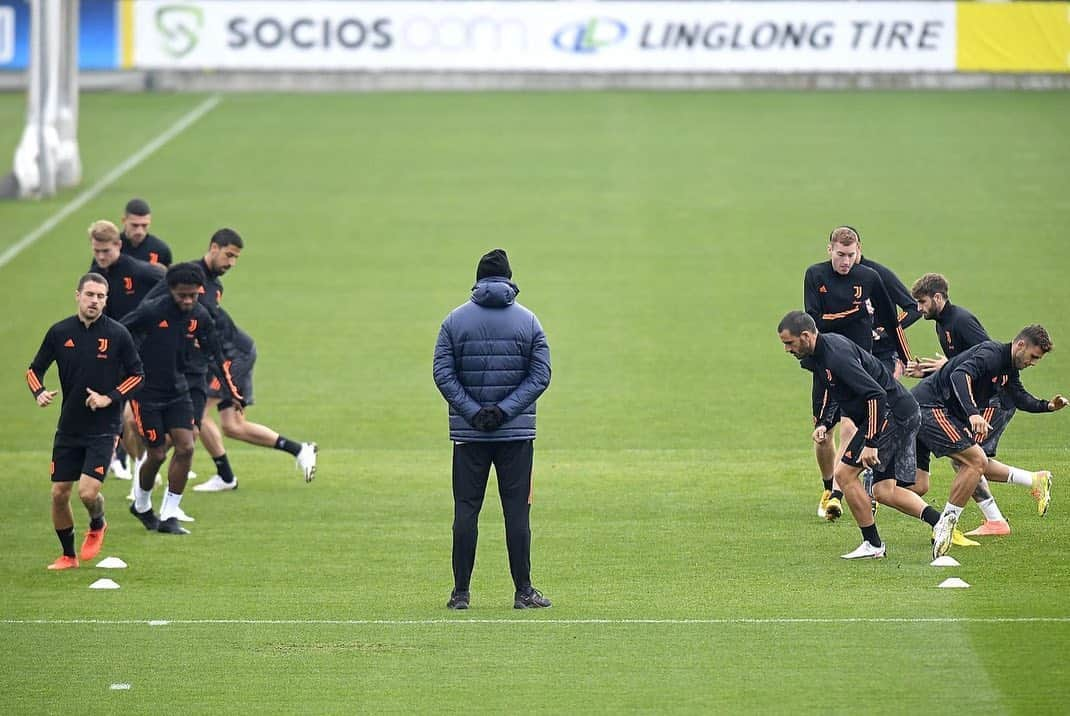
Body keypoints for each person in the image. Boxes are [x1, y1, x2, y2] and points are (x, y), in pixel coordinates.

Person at [145, 229, 316, 492]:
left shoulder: (214, 285)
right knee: (233, 426)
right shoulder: (186, 277)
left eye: (236, 258)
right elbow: (151, 303)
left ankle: (155, 470)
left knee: (196, 416)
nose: (231, 263)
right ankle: (298, 450)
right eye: (229, 255)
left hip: (232, 355)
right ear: (214, 247)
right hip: (225, 354)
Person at [433, 249, 552, 609]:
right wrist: (504, 411)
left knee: (465, 511)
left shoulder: (454, 321)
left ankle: (460, 594)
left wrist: (474, 413)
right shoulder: (529, 321)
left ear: (479, 280)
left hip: (470, 437)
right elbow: (540, 375)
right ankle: (523, 591)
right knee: (516, 512)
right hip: (515, 435)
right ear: (509, 280)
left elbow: (443, 373)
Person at [778, 311, 943, 560]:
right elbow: (828, 385)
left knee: (844, 474)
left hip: (892, 413)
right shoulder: (819, 354)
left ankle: (873, 545)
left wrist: (871, 443)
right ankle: (941, 521)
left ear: (806, 336)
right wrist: (824, 421)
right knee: (883, 491)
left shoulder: (836, 356)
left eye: (789, 343)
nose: (786, 349)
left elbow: (876, 395)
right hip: (896, 412)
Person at [906, 273, 1047, 537]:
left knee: (969, 459)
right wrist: (933, 372)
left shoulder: (961, 321)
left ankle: (981, 520)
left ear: (938, 297)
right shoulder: (941, 324)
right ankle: (1012, 502)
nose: (919, 309)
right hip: (971, 398)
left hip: (994, 400)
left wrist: (974, 412)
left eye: (922, 302)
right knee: (966, 459)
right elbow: (961, 367)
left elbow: (984, 357)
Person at [912, 325, 1068, 559]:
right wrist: (973, 413)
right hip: (929, 408)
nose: (1034, 363)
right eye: (1033, 356)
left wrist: (1047, 406)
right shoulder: (992, 354)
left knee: (917, 484)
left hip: (934, 411)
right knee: (975, 460)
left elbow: (1019, 397)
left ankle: (870, 487)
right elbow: (959, 374)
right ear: (1020, 345)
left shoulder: (1009, 369)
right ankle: (946, 524)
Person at [26, 273, 143, 569]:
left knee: (88, 492)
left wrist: (109, 398)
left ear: (106, 300)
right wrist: (38, 391)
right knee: (59, 493)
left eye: (101, 296)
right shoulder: (59, 332)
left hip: (103, 428)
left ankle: (98, 521)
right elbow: (34, 369)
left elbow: (137, 375)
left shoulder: (118, 334)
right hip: (69, 427)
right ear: (77, 295)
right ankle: (68, 555)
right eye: (90, 295)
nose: (95, 301)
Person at [121, 262, 240, 535]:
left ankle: (170, 512)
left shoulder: (200, 316)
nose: (188, 301)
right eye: (182, 295)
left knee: (186, 447)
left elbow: (215, 355)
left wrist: (232, 391)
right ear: (171, 290)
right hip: (147, 392)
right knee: (158, 453)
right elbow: (120, 333)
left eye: (193, 295)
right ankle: (141, 505)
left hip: (179, 390)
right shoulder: (151, 311)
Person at [803, 227, 910, 522]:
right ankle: (828, 487)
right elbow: (815, 322)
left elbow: (891, 320)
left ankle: (840, 493)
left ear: (858, 251)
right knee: (823, 434)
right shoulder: (815, 275)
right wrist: (856, 312)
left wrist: (905, 357)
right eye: (840, 255)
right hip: (824, 363)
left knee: (852, 427)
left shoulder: (870, 278)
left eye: (851, 255)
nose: (845, 261)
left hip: (858, 366)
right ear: (829, 250)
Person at [86, 219, 164, 480]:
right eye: (96, 251)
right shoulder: (96, 273)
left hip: (144, 354)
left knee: (133, 417)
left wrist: (150, 314)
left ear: (119, 245)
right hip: (113, 353)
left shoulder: (139, 270)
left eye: (106, 251)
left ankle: (144, 463)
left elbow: (170, 279)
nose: (100, 256)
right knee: (115, 415)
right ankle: (137, 463)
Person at [119, 198, 172, 267]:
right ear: (124, 221)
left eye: (144, 225)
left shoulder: (161, 250)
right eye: (134, 225)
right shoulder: (112, 247)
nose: (139, 231)